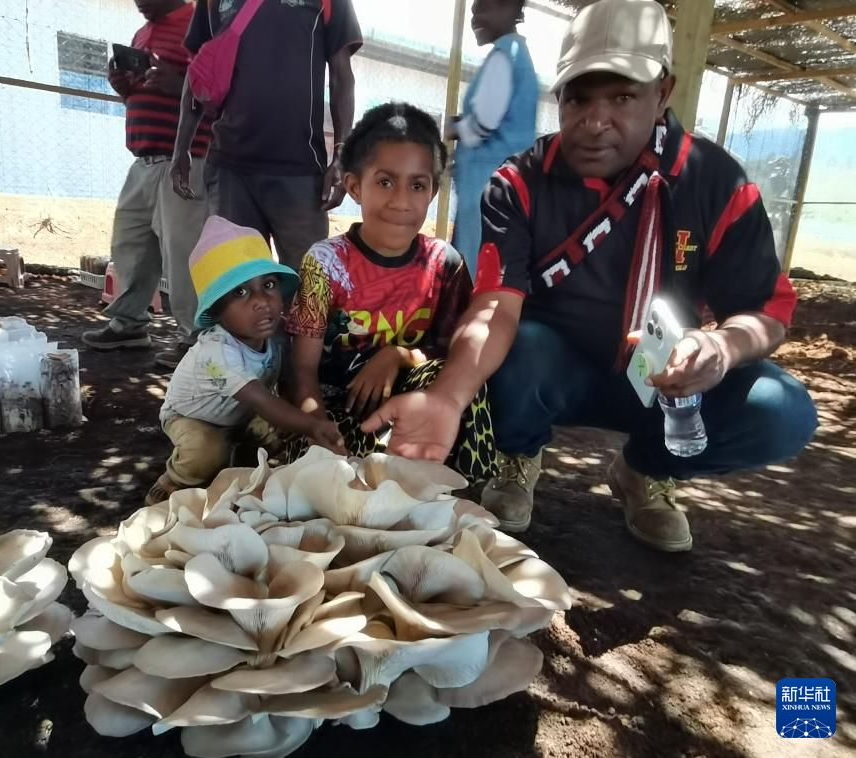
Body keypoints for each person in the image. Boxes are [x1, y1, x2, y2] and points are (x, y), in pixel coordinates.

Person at [361, 0, 818, 551]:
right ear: (559, 97)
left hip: (665, 380)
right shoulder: (519, 183)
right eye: (578, 98)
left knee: (781, 411)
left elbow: (764, 311)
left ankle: (645, 469)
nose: (595, 122)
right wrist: (447, 398)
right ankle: (518, 454)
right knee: (505, 348)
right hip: (553, 373)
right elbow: (495, 306)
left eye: (623, 98)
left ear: (662, 93)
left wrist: (721, 346)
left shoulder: (714, 181)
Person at [286, 103, 496, 486]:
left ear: (432, 192)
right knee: (318, 478)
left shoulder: (444, 263)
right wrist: (319, 430)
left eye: (417, 185)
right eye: (385, 182)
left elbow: (456, 355)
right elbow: (301, 370)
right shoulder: (325, 264)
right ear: (354, 187)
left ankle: (461, 495)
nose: (401, 200)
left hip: (413, 417)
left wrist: (398, 355)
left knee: (465, 384)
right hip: (335, 413)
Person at [147, 215, 345, 505]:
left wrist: (299, 419)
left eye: (269, 284)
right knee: (206, 451)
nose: (262, 301)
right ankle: (173, 482)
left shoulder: (277, 334)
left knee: (283, 432)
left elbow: (288, 380)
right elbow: (261, 400)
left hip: (240, 414)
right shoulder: (217, 353)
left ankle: (237, 468)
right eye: (240, 292)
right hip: (194, 418)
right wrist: (313, 426)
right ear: (216, 311)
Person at [169, 0, 362, 270]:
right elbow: (198, 72)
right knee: (237, 281)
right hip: (230, 172)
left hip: (301, 175)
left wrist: (343, 152)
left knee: (308, 284)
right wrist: (181, 148)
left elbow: (342, 76)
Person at [82, 0, 215, 370]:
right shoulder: (143, 33)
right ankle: (129, 324)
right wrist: (124, 88)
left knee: (184, 255)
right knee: (129, 245)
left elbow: (221, 88)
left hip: (187, 160)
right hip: (143, 159)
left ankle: (195, 340)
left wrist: (180, 84)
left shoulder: (200, 22)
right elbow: (144, 92)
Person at [447, 0, 538, 277]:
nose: (475, 18)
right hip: (507, 183)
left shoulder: (503, 56)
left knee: (474, 258)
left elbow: (484, 122)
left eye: (482, 8)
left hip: (486, 184)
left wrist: (456, 128)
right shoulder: (519, 56)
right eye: (473, 11)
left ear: (509, 8)